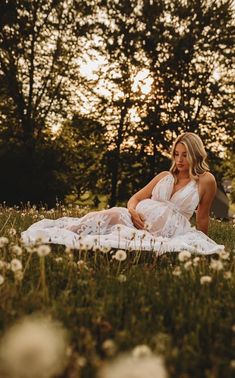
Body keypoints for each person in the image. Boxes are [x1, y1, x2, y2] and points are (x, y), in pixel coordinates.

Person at [21, 132, 224, 255]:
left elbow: (203, 216)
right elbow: (135, 198)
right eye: (176, 154)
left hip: (164, 231)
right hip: (137, 217)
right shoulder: (164, 175)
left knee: (116, 231)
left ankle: (66, 238)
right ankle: (64, 234)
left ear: (196, 153)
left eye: (185, 154)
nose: (179, 160)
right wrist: (133, 211)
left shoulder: (206, 180)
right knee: (109, 215)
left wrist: (203, 242)